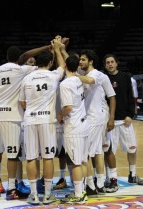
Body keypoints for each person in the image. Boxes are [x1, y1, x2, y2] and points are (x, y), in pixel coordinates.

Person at [0, 43, 51, 201]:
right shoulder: (22, 70)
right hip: (12, 116)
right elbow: (31, 59)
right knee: (13, 155)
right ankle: (12, 189)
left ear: (7, 57)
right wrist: (48, 47)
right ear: (19, 58)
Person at [19, 37, 64, 205]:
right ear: (50, 62)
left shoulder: (27, 78)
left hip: (30, 120)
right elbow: (63, 66)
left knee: (31, 158)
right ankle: (46, 195)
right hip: (47, 121)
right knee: (48, 158)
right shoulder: (53, 76)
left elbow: (22, 103)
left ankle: (33, 195)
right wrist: (58, 48)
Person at [103, 54, 143, 186]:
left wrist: (130, 114)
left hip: (124, 120)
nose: (110, 64)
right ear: (105, 65)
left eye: (112, 62)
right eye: (107, 62)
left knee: (132, 148)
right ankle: (109, 177)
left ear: (117, 63)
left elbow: (131, 96)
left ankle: (133, 175)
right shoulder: (103, 79)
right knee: (108, 151)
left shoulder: (126, 77)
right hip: (109, 122)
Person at [76, 49, 115, 196]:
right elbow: (71, 64)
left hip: (96, 118)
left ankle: (91, 186)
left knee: (85, 153)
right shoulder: (84, 74)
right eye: (80, 60)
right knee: (98, 152)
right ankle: (99, 184)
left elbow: (112, 97)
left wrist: (111, 118)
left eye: (83, 59)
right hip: (92, 118)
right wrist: (61, 50)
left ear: (91, 61)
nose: (80, 62)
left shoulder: (98, 75)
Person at [58, 55, 89, 204]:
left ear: (64, 67)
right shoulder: (79, 79)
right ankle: (82, 191)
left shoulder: (65, 84)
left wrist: (59, 114)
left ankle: (79, 195)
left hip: (74, 127)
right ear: (77, 67)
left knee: (76, 162)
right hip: (84, 124)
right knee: (82, 161)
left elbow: (68, 107)